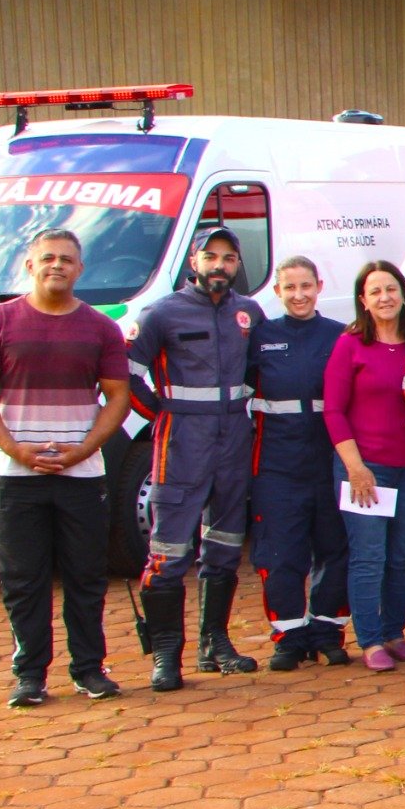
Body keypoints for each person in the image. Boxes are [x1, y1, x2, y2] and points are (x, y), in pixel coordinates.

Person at [0, 230, 134, 706]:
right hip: (15, 477)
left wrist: (83, 451)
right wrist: (16, 450)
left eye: (67, 260)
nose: (57, 265)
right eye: (47, 258)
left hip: (82, 475)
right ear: (29, 265)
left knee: (86, 577)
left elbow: (117, 398)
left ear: (81, 270)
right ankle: (30, 676)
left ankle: (89, 669)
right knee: (24, 580)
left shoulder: (101, 328)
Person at [127, 228, 266, 686]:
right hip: (182, 441)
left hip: (233, 440)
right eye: (211, 256)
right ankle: (166, 655)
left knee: (225, 544)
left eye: (229, 258)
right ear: (193, 260)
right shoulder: (162, 313)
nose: (220, 266)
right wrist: (162, 416)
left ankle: (215, 643)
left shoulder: (249, 312)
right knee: (169, 550)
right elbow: (127, 376)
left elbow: (260, 372)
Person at [326, 261, 405, 671]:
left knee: (403, 555)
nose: (385, 297)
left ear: (403, 295)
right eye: (375, 291)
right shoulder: (350, 344)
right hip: (365, 468)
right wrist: (356, 467)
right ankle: (369, 640)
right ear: (363, 301)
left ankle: (394, 632)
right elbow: (333, 410)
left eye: (391, 289)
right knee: (369, 556)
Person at [252, 257, 349, 671]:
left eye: (306, 286)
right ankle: (289, 636)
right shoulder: (261, 338)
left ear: (319, 286)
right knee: (281, 553)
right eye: (290, 288)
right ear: (277, 292)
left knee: (335, 548)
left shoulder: (340, 335)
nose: (299, 295)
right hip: (278, 463)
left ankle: (327, 631)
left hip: (330, 459)